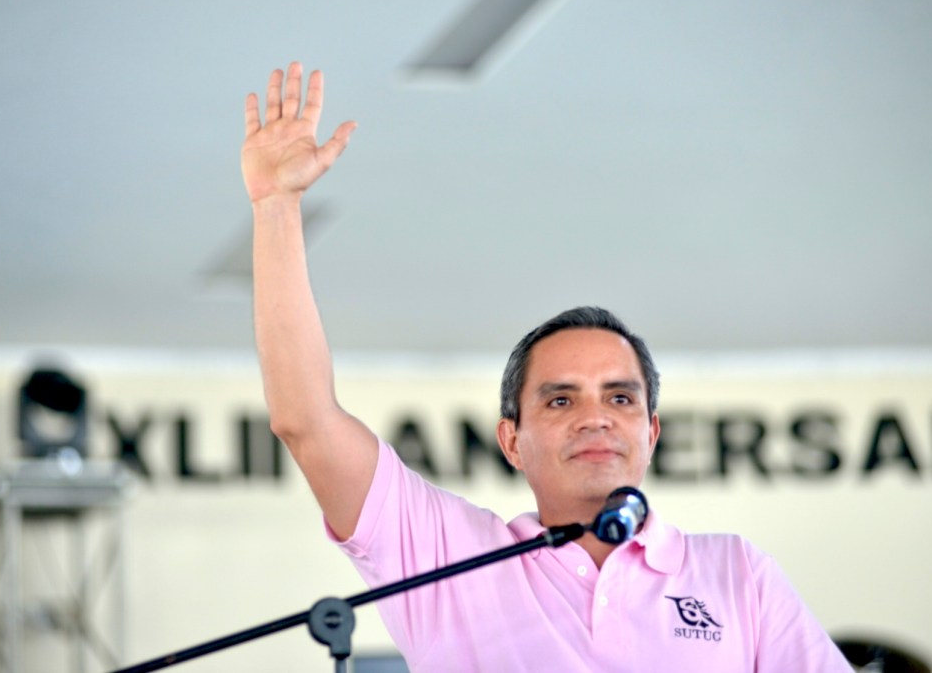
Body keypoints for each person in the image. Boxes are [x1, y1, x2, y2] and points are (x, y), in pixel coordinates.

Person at [240, 62, 854, 672]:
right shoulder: (451, 562)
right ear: (512, 439)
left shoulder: (738, 574)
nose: (595, 418)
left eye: (620, 398)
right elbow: (307, 421)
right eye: (561, 400)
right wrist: (276, 207)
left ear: (652, 432)